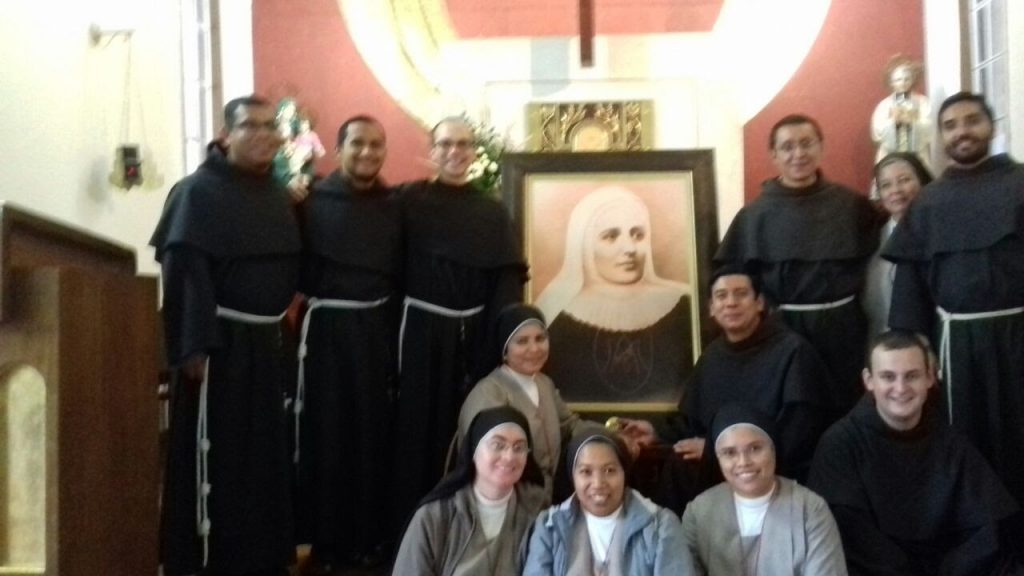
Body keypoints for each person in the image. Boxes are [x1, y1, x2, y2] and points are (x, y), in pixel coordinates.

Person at [150, 95, 301, 576]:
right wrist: (192, 346)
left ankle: (261, 556)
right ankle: (210, 560)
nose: (263, 135)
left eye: (270, 126)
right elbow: (183, 273)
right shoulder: (196, 193)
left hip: (268, 344)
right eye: (250, 126)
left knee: (265, 458)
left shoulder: (278, 195)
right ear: (226, 135)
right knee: (224, 457)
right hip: (219, 349)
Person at [883, 91, 1024, 509]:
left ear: (991, 126)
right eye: (950, 125)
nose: (962, 131)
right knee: (964, 436)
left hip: (1018, 333)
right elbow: (910, 283)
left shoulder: (1020, 184)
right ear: (941, 136)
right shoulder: (929, 201)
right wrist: (914, 347)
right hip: (956, 344)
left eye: (972, 121)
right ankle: (978, 526)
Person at [391, 116, 527, 539]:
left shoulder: (492, 212)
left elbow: (505, 281)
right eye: (446, 143)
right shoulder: (407, 201)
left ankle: (464, 530)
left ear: (474, 152)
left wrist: (499, 342)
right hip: (418, 334)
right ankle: (412, 531)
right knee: (415, 433)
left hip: (474, 338)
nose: (455, 152)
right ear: (432, 150)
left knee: (466, 431)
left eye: (463, 144)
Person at [620, 265, 832, 510]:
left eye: (741, 294)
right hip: (715, 475)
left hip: (770, 474)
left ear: (759, 303)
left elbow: (798, 436)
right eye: (721, 296)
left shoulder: (793, 352)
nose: (731, 303)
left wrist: (716, 451)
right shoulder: (712, 356)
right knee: (678, 466)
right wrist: (656, 433)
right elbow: (692, 423)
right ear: (712, 308)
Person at [808, 330, 1021, 575]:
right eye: (888, 377)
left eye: (912, 376)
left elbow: (984, 527)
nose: (901, 388)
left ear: (930, 377)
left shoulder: (950, 440)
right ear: (869, 380)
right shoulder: (840, 443)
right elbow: (850, 534)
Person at [715, 114, 880, 419]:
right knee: (791, 412)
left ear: (821, 147)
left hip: (844, 329)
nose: (798, 154)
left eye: (806, 144)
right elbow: (731, 281)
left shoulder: (851, 205)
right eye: (787, 147)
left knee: (847, 410)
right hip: (782, 330)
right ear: (774, 155)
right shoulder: (754, 216)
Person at [294, 115, 400, 573]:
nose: (367, 152)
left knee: (373, 435)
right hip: (326, 333)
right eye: (358, 143)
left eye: (376, 144)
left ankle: (369, 538)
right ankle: (327, 543)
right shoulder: (310, 200)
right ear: (339, 150)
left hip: (376, 330)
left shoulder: (395, 205)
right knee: (327, 435)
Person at [537, 185, 694, 404]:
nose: (629, 248)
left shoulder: (685, 305)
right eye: (611, 236)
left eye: (638, 235)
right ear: (584, 246)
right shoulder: (552, 316)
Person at [682, 403, 847, 575]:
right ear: (717, 459)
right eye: (730, 453)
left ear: (773, 450)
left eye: (755, 448)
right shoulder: (698, 512)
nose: (743, 462)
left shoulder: (810, 510)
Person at [392, 406, 547, 576]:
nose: (509, 457)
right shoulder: (434, 516)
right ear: (474, 449)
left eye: (519, 448)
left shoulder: (538, 510)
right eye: (498, 445)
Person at [524, 425, 695, 575]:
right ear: (572, 477)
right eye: (586, 472)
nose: (598, 483)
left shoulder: (661, 526)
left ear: (624, 473)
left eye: (609, 471)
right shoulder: (549, 526)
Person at [457, 303, 585, 500]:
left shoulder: (544, 384)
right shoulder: (489, 394)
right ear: (504, 350)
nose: (534, 348)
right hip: (505, 500)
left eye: (540, 339)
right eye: (522, 341)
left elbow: (570, 425)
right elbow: (486, 464)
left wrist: (616, 436)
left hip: (547, 499)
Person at [862, 152, 932, 337]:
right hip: (879, 337)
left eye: (904, 180)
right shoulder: (872, 236)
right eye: (886, 185)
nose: (896, 190)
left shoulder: (937, 233)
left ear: (923, 182)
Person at [871, 56, 933, 170]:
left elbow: (929, 127)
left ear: (912, 80)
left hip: (917, 155)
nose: (903, 83)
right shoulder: (885, 105)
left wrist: (912, 122)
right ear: (891, 82)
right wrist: (893, 122)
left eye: (906, 79)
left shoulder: (922, 102)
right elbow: (877, 133)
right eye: (898, 80)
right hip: (890, 155)